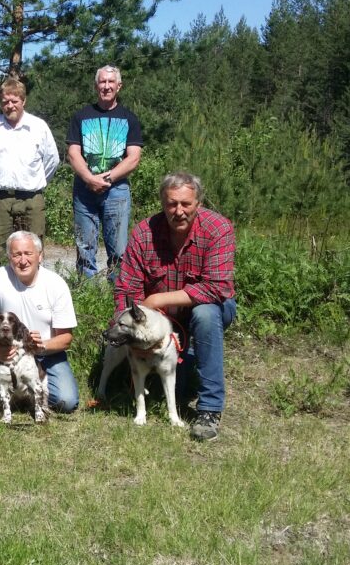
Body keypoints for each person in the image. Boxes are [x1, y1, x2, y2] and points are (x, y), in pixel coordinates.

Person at [115, 172, 236, 441]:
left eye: (186, 204)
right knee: (171, 388)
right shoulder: (144, 233)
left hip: (207, 308)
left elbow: (217, 288)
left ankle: (209, 408)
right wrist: (130, 333)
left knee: (205, 315)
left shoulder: (218, 229)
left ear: (199, 203)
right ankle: (153, 375)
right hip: (160, 321)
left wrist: (158, 299)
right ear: (162, 203)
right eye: (171, 204)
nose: (178, 211)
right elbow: (127, 289)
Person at [0, 231, 80, 413]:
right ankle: (3, 389)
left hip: (46, 354)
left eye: (28, 253)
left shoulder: (56, 284)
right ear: (9, 257)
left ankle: (23, 394)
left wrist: (41, 345)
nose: (23, 260)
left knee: (66, 401)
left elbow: (66, 338)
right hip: (7, 352)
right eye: (16, 254)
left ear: (40, 256)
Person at [66, 65, 143, 280]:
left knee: (118, 249)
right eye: (102, 82)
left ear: (119, 86)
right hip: (84, 189)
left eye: (111, 82)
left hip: (116, 190)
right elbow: (73, 153)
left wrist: (107, 178)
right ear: (96, 85)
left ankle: (117, 294)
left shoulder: (129, 118)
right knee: (84, 247)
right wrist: (90, 178)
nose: (106, 86)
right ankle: (87, 293)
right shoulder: (81, 116)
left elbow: (133, 157)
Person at [0, 77, 60, 268]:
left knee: (33, 250)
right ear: (0, 103)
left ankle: (33, 292)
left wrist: (35, 181)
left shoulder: (39, 127)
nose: (10, 106)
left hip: (31, 198)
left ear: (23, 101)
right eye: (5, 101)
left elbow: (52, 160)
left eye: (14, 101)